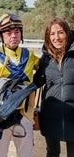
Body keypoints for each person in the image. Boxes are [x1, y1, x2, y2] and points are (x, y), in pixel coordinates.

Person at [0, 13, 40, 157]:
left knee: (26, 153)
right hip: (1, 114)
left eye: (17, 32)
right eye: (8, 33)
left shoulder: (30, 56)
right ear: (2, 36)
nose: (13, 36)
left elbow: (46, 68)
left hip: (25, 114)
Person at [33, 18, 74, 157]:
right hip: (50, 115)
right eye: (52, 34)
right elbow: (36, 82)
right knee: (52, 153)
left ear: (67, 34)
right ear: (47, 37)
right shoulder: (46, 59)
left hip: (72, 115)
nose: (56, 37)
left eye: (60, 32)